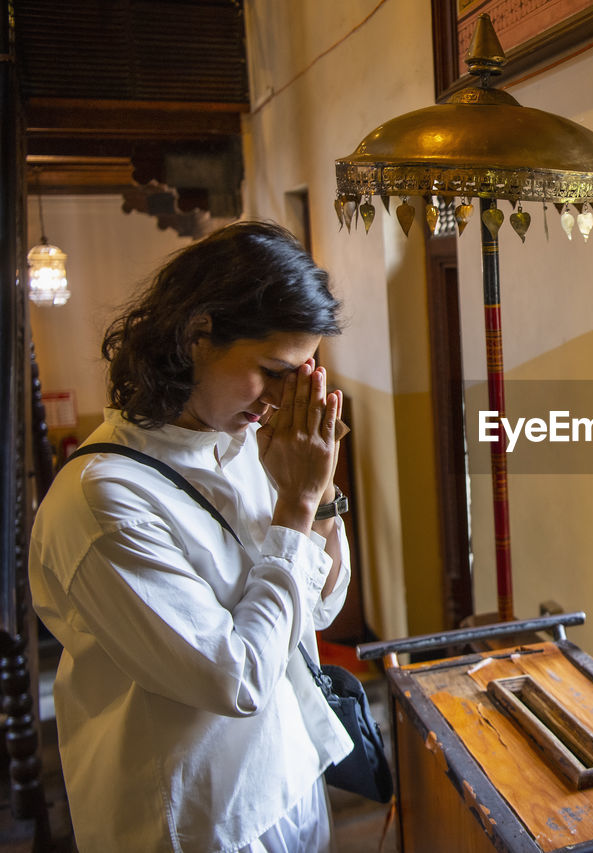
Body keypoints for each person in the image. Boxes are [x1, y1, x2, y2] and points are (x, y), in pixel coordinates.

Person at [29, 221, 354, 852]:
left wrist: (324, 498)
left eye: (300, 374)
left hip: (288, 774)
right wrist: (297, 504)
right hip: (199, 819)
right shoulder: (104, 500)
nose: (280, 401)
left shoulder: (238, 447)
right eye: (271, 370)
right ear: (198, 332)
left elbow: (318, 606)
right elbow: (234, 680)